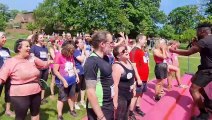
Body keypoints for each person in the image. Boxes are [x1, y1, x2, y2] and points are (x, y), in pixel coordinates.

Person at [0, 39, 52, 120]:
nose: (29, 48)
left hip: (36, 92)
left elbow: (44, 64)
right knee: (20, 117)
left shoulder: (32, 58)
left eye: (29, 46)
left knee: (35, 114)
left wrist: (52, 61)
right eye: (27, 46)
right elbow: (1, 77)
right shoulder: (10, 62)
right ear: (19, 48)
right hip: (20, 95)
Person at [170, 23, 212, 120]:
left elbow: (189, 52)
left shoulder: (204, 41)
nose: (196, 33)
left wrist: (173, 50)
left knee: (193, 89)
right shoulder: (207, 40)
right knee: (194, 80)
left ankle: (204, 114)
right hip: (204, 69)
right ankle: (208, 103)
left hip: (207, 70)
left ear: (202, 31)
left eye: (197, 31)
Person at [84, 31, 114, 120]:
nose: (113, 45)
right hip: (100, 107)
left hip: (108, 104)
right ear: (102, 44)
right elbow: (90, 91)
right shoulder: (92, 62)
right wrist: (101, 117)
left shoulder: (105, 58)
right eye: (111, 42)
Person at [54, 43, 80, 119]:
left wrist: (77, 76)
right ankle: (59, 115)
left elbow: (74, 66)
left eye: (72, 53)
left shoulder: (71, 55)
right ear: (66, 51)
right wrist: (63, 80)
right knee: (62, 98)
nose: (71, 55)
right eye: (70, 53)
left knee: (71, 96)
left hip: (72, 80)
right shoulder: (59, 56)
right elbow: (55, 71)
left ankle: (72, 110)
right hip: (62, 82)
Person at [129, 34, 149, 119]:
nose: (146, 41)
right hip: (139, 79)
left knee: (140, 94)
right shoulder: (134, 51)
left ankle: (137, 107)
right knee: (135, 95)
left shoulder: (141, 50)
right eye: (145, 39)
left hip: (144, 78)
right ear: (140, 40)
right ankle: (130, 112)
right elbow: (133, 66)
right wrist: (138, 78)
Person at [112, 45, 135, 120]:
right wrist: (115, 101)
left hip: (128, 94)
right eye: (123, 51)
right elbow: (115, 85)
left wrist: (133, 89)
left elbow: (132, 78)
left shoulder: (128, 62)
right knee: (120, 117)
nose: (126, 51)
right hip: (121, 96)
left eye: (126, 49)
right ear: (118, 56)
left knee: (126, 116)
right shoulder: (117, 66)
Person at [30, 34, 49, 104]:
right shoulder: (33, 47)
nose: (42, 39)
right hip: (37, 69)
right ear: (37, 39)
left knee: (43, 83)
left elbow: (47, 58)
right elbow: (32, 58)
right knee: (37, 83)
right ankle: (35, 98)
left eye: (43, 37)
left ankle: (42, 98)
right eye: (41, 38)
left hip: (45, 69)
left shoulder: (45, 48)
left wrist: (48, 67)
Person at [0, 32, 14, 117]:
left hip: (8, 76)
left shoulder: (6, 49)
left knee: (8, 92)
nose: (5, 39)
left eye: (5, 37)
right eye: (2, 37)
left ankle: (8, 110)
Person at [73, 37, 86, 109]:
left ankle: (82, 101)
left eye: (83, 42)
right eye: (81, 42)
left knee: (83, 87)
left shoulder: (81, 51)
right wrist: (83, 51)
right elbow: (81, 60)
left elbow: (86, 57)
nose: (83, 43)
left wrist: (84, 51)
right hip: (78, 72)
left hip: (83, 71)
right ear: (77, 44)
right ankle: (75, 102)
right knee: (77, 88)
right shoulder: (76, 51)